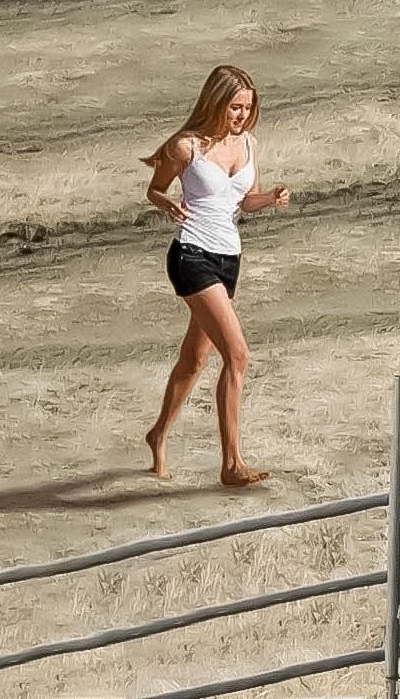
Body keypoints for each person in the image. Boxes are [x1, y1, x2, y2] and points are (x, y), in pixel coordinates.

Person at [140, 65, 289, 486]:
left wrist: (272, 198)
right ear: (216, 101)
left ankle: (157, 436)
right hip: (191, 254)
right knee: (237, 354)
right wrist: (166, 205)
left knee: (195, 358)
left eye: (247, 107)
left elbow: (242, 203)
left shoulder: (249, 144)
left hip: (228, 259)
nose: (241, 115)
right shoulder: (186, 146)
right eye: (234, 106)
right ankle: (231, 465)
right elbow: (155, 189)